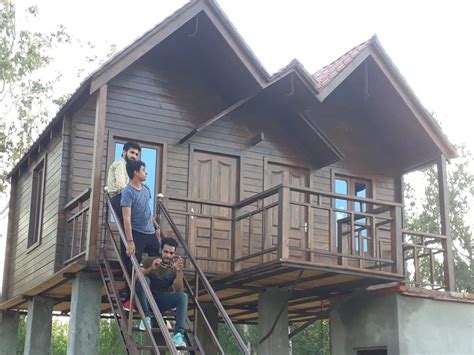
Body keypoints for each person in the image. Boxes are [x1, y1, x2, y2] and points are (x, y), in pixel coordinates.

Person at [121, 160, 161, 307]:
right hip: (137, 233)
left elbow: (147, 211)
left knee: (158, 260)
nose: (147, 172)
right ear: (136, 173)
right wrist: (130, 241)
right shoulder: (128, 192)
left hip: (150, 232)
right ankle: (129, 299)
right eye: (144, 170)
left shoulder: (146, 189)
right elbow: (126, 218)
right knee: (132, 266)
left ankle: (155, 294)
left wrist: (156, 225)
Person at [137, 237, 188, 349]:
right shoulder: (149, 260)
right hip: (144, 299)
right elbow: (136, 277)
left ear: (174, 254)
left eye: (171, 253)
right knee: (145, 280)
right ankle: (146, 317)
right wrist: (151, 268)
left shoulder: (174, 267)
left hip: (160, 300)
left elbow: (179, 290)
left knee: (183, 296)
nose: (168, 255)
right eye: (166, 252)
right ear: (161, 251)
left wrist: (179, 272)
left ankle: (178, 334)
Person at [107, 141, 141, 222]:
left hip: (123, 198)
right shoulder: (120, 164)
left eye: (136, 154)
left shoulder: (128, 167)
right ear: (124, 152)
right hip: (118, 198)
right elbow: (121, 186)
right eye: (132, 152)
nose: (134, 156)